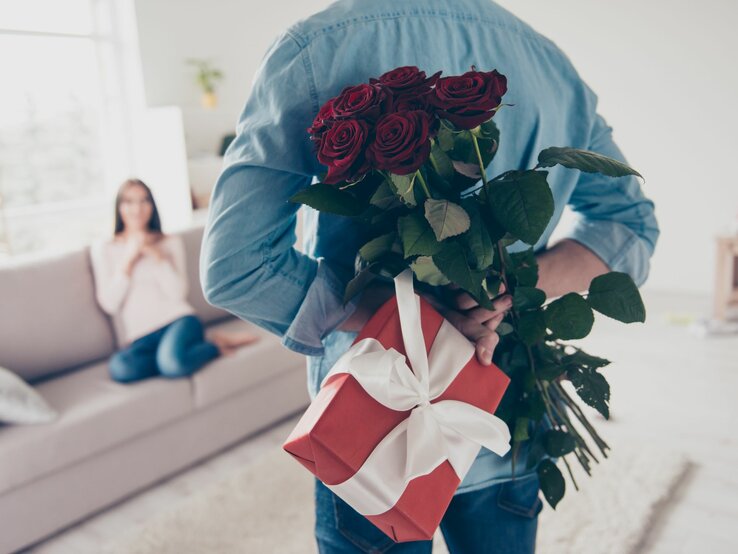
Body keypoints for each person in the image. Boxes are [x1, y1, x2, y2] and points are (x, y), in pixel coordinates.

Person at [200, 0, 660, 552]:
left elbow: (237, 266)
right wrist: (502, 292)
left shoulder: (315, 49)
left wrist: (411, 318)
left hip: (372, 429)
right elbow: (630, 224)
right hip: (506, 413)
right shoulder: (550, 65)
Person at [91, 178, 258, 384]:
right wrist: (130, 259)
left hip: (178, 321)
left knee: (172, 365)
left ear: (152, 206)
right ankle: (195, 348)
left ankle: (210, 347)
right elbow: (109, 303)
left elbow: (177, 293)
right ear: (119, 207)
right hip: (140, 337)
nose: (137, 209)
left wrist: (157, 256)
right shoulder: (104, 248)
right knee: (121, 369)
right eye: (129, 201)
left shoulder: (169, 242)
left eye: (144, 201)